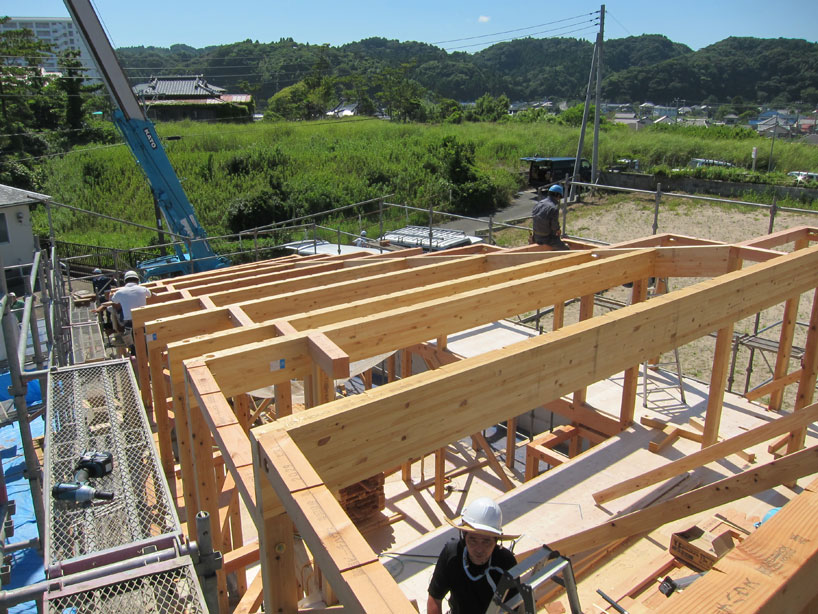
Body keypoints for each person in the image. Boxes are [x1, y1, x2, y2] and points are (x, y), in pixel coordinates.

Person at [428, 497, 518, 614]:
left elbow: (514, 606)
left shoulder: (506, 562)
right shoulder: (452, 554)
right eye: (473, 540)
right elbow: (435, 598)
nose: (479, 549)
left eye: (486, 541)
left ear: (496, 541)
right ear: (464, 537)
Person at [94, 270, 150, 354]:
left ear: (125, 281)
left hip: (128, 322)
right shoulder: (143, 289)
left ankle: (128, 343)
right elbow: (150, 295)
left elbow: (113, 301)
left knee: (114, 309)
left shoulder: (119, 292)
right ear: (137, 280)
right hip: (143, 320)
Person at [531, 184, 570, 251]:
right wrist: (558, 230)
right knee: (566, 249)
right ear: (558, 195)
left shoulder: (539, 204)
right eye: (560, 197)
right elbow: (554, 226)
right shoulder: (553, 208)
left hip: (536, 237)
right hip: (547, 238)